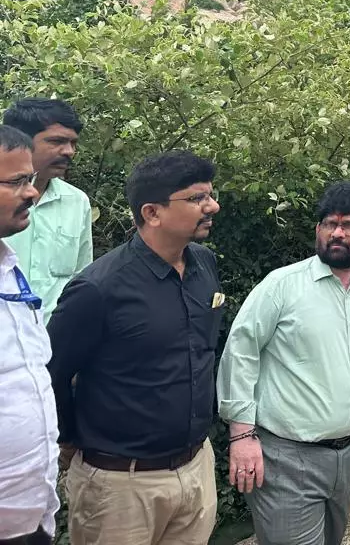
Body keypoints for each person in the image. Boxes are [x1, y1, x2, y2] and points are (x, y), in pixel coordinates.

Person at [47, 151, 224, 545]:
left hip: (196, 468)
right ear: (152, 212)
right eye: (196, 199)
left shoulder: (203, 264)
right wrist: (72, 439)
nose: (212, 206)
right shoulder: (98, 289)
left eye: (210, 195)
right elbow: (52, 372)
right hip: (120, 486)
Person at [218, 180, 350, 545]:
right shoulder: (282, 286)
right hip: (286, 459)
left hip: (346, 455)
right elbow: (240, 352)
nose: (337, 233)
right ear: (318, 230)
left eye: (349, 224)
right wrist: (242, 435)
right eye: (329, 224)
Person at [0, 126, 58, 545]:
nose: (32, 192)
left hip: (31, 517)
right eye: (17, 182)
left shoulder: (10, 268)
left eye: (30, 180)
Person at [2, 99, 94, 319]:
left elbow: (81, 278)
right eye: (57, 141)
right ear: (21, 140)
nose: (69, 151)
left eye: (73, 143)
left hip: (57, 339)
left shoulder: (77, 201)